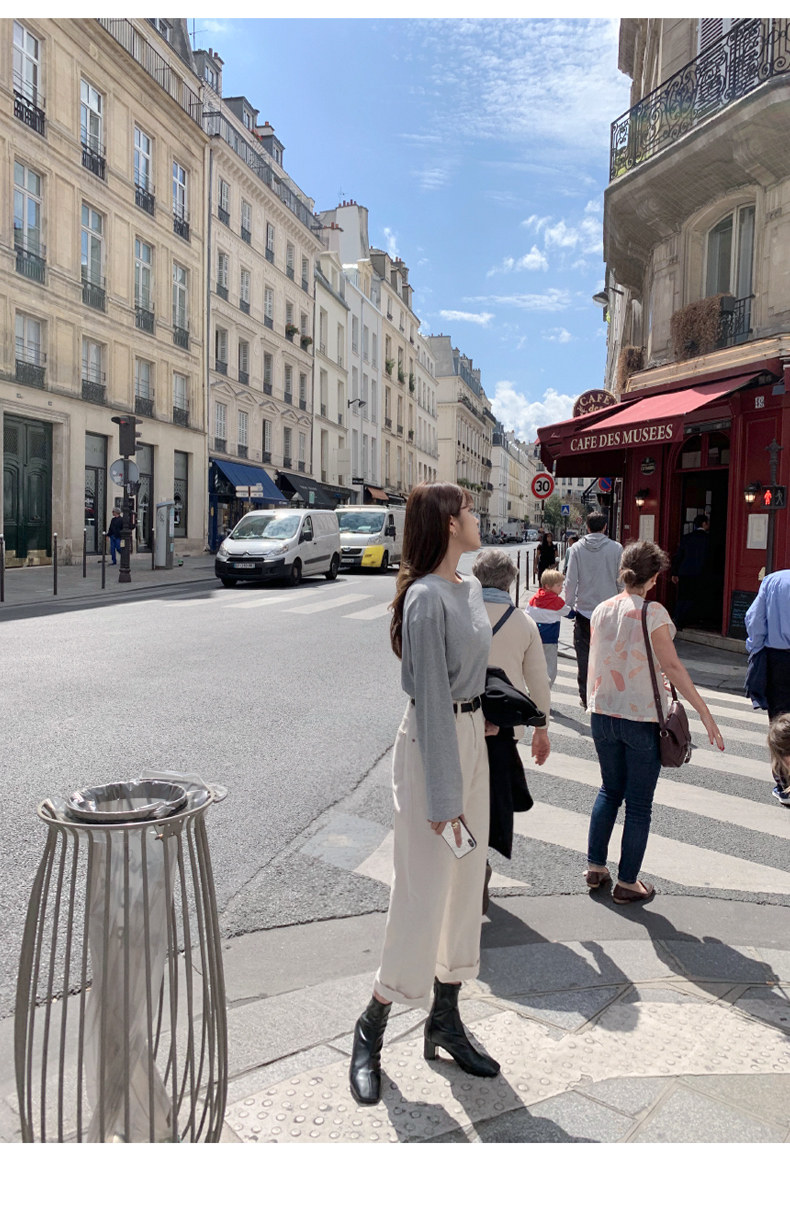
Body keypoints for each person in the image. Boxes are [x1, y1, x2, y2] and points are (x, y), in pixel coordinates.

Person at [349, 482, 500, 1107]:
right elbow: (432, 698)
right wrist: (444, 799)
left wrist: (487, 716)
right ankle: (372, 1025)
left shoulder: (468, 587)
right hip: (432, 748)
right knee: (420, 891)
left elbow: (468, 677)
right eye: (467, 509)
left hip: (469, 739)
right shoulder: (425, 598)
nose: (476, 516)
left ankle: (445, 1017)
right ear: (447, 523)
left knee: (465, 885)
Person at [584, 540, 724, 903]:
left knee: (609, 790)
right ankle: (627, 882)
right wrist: (704, 712)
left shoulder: (601, 610)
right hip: (641, 717)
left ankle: (595, 866)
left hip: (602, 713)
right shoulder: (653, 612)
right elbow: (672, 666)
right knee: (639, 804)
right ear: (654, 577)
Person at [472, 548, 551, 911]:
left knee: (460, 799)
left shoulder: (462, 614)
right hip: (504, 729)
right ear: (510, 581)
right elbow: (539, 683)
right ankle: (479, 863)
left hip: (462, 722)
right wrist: (541, 730)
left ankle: (468, 866)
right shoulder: (523, 623)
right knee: (491, 801)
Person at [562, 512, 623, 710]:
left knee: (583, 656)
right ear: (605, 527)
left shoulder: (576, 548)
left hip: (584, 610)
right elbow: (621, 580)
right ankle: (606, 694)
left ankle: (586, 696)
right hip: (610, 611)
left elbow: (571, 581)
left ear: (587, 527)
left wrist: (567, 605)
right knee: (609, 655)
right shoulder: (616, 548)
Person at [744, 568, 790, 806]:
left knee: (781, 722)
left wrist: (755, 649)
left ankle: (785, 785)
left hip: (778, 658)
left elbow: (754, 619)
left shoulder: (774, 580)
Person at [527, 568, 574, 684]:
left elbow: (526, 616)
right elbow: (570, 614)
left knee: (534, 665)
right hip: (550, 640)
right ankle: (545, 689)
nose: (561, 588)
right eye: (558, 585)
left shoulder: (534, 599)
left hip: (534, 638)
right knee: (550, 668)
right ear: (548, 586)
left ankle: (531, 688)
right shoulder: (556, 601)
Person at [671, 514, 711, 630]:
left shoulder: (686, 538)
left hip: (684, 572)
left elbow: (679, 556)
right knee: (695, 597)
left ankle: (677, 618)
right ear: (704, 523)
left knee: (683, 597)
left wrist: (675, 572)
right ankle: (685, 620)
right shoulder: (708, 539)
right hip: (700, 573)